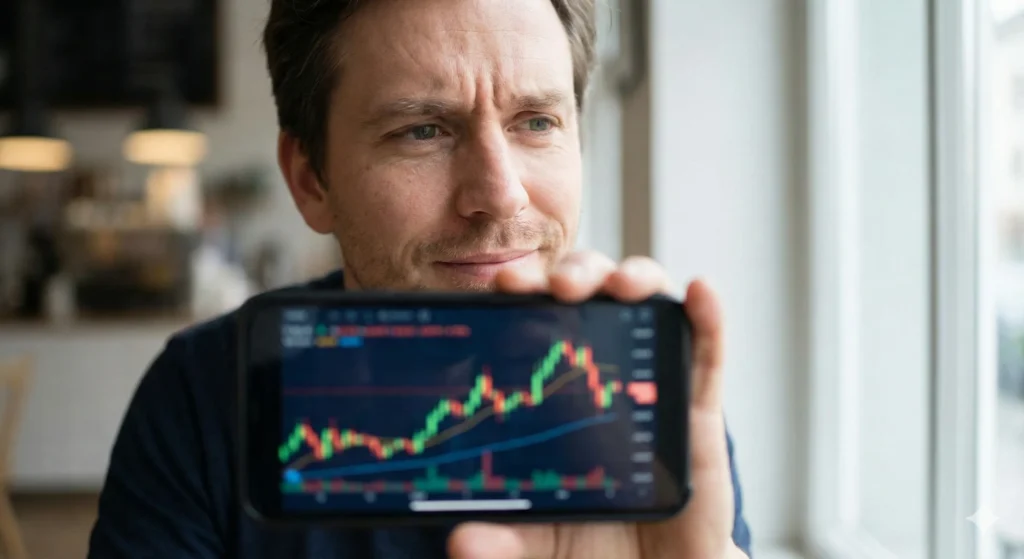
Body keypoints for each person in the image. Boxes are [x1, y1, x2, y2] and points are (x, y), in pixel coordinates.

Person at [87, 0, 754, 557]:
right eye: (422, 131)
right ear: (311, 179)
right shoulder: (204, 397)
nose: (501, 194)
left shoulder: (641, 396)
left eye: (537, 122)